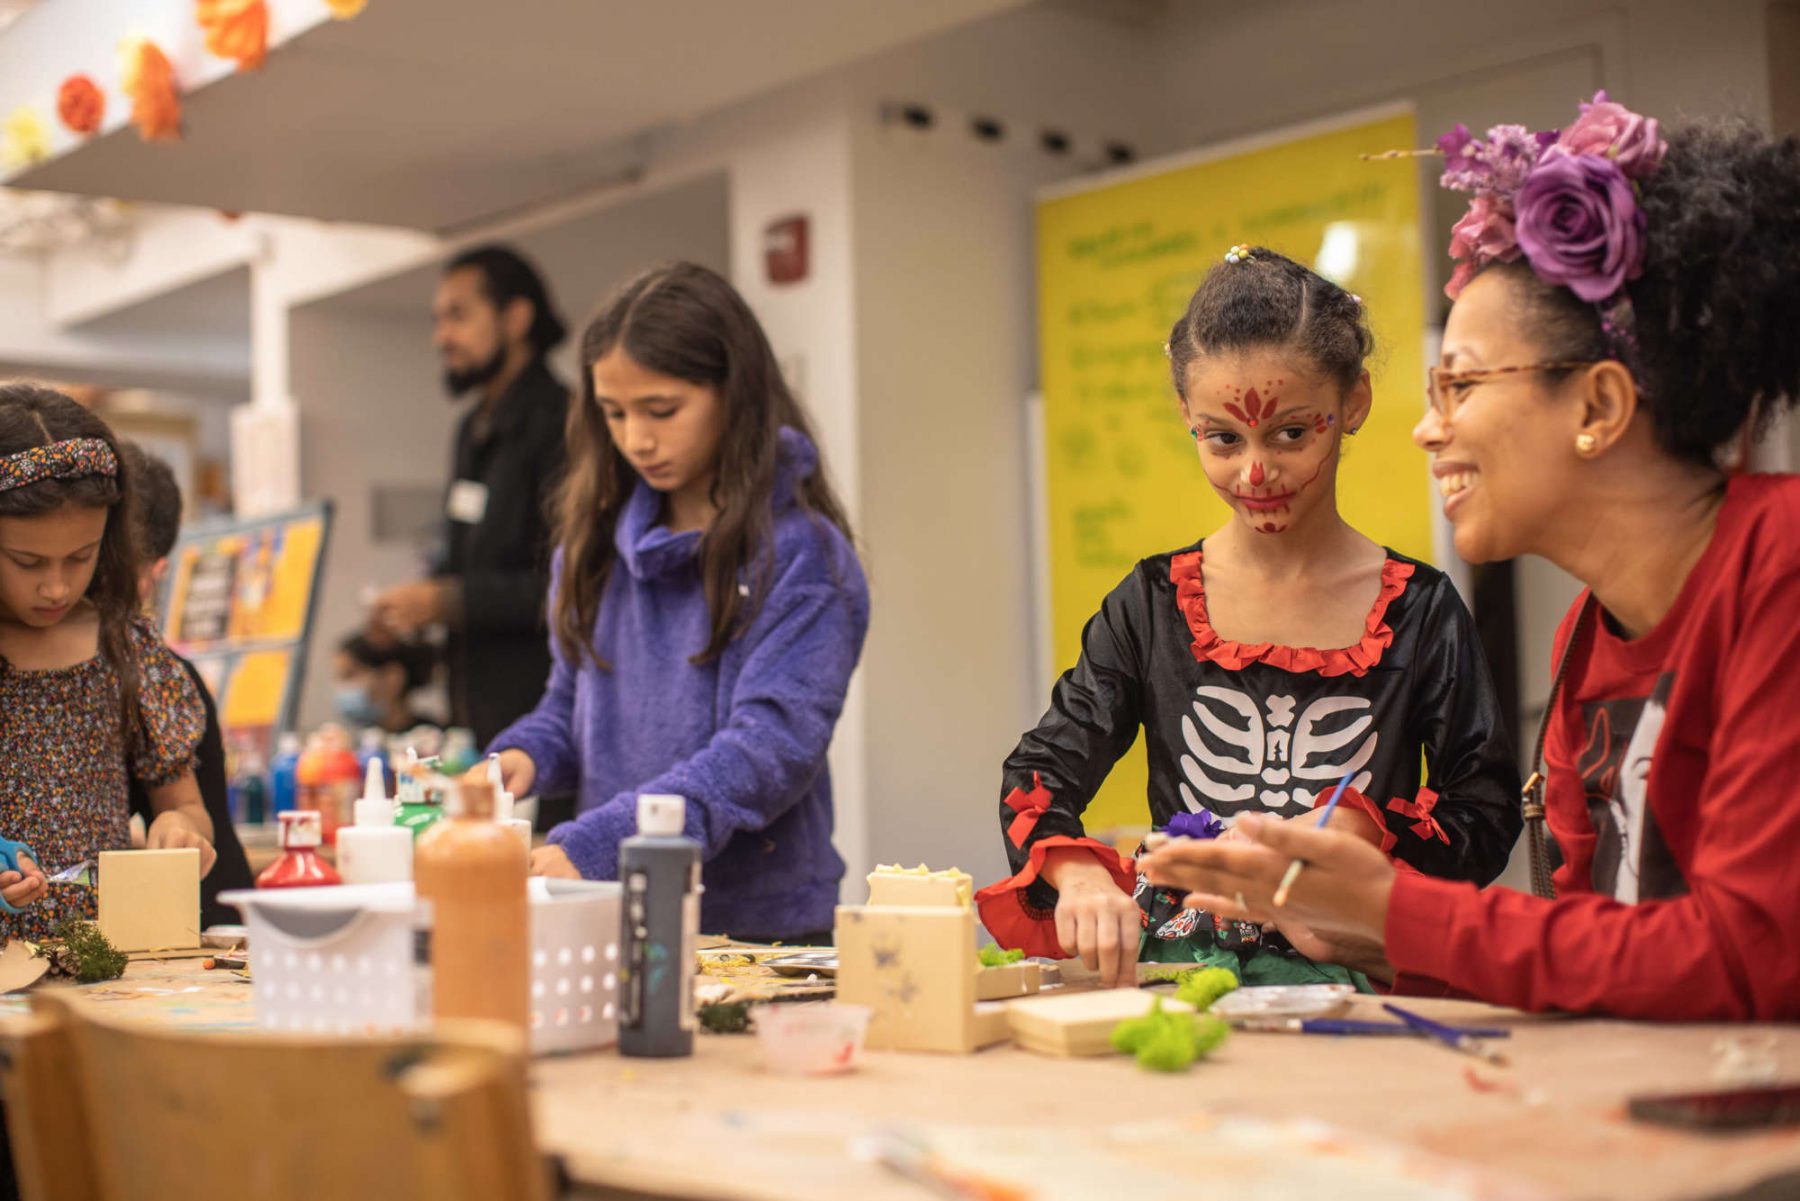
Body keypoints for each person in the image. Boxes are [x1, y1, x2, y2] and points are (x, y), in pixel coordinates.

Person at [1142, 102, 1800, 1021]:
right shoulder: (1590, 632)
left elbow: (1747, 957)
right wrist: (1367, 932)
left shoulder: (1781, 567)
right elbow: (1595, 955)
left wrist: (1397, 909)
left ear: (1598, 407)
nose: (1426, 427)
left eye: (1458, 384)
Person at [976, 248, 1520, 988]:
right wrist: (1076, 875)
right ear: (1187, 418)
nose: (1256, 472)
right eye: (1224, 438)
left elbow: (1484, 808)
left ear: (1353, 401)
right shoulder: (1151, 603)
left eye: (1292, 433)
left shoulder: (1422, 612)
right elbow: (1039, 771)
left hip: (1356, 973)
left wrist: (1367, 830)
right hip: (1179, 978)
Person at [484, 262, 869, 943]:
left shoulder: (804, 557)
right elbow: (570, 707)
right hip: (619, 909)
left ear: (735, 396)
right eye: (613, 412)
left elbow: (766, 753)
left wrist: (605, 841)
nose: (635, 438)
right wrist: (524, 757)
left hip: (757, 933)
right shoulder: (591, 547)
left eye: (661, 410)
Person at [0, 384, 215, 943]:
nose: (56, 586)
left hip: (108, 967)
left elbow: (186, 807)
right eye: (26, 561)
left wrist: (181, 830)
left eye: (80, 557)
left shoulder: (124, 647)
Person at [372, 245, 570, 747]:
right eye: (438, 319)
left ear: (517, 317)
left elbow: (574, 585)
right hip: (473, 716)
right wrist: (412, 616)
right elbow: (465, 561)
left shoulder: (563, 423)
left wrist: (450, 600)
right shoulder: (472, 429)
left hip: (545, 719)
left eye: (458, 316)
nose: (442, 337)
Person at [121, 445, 253, 928]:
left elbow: (193, 817)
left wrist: (175, 827)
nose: (58, 589)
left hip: (204, 921)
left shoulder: (156, 674)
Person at [334, 632, 440, 734]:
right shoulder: (363, 743)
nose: (341, 687)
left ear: (393, 679)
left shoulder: (437, 742)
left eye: (349, 675)